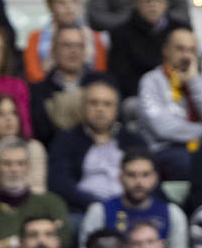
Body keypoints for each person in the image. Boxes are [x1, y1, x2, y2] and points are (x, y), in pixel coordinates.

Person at [79, 149, 188, 248]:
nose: (138, 182)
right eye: (131, 175)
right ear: (121, 178)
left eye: (145, 175)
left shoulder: (172, 213)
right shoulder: (100, 211)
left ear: (155, 178)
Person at [136, 28, 202, 181]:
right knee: (189, 162)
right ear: (166, 50)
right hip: (167, 149)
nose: (186, 56)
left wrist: (193, 82)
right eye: (180, 49)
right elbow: (163, 128)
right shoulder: (151, 81)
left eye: (191, 50)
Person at [48, 81, 144, 215]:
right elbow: (59, 181)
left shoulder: (134, 141)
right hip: (84, 209)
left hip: (130, 207)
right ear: (83, 107)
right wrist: (95, 205)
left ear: (116, 110)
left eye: (107, 104)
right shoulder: (67, 139)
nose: (100, 109)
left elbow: (147, 177)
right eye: (94, 103)